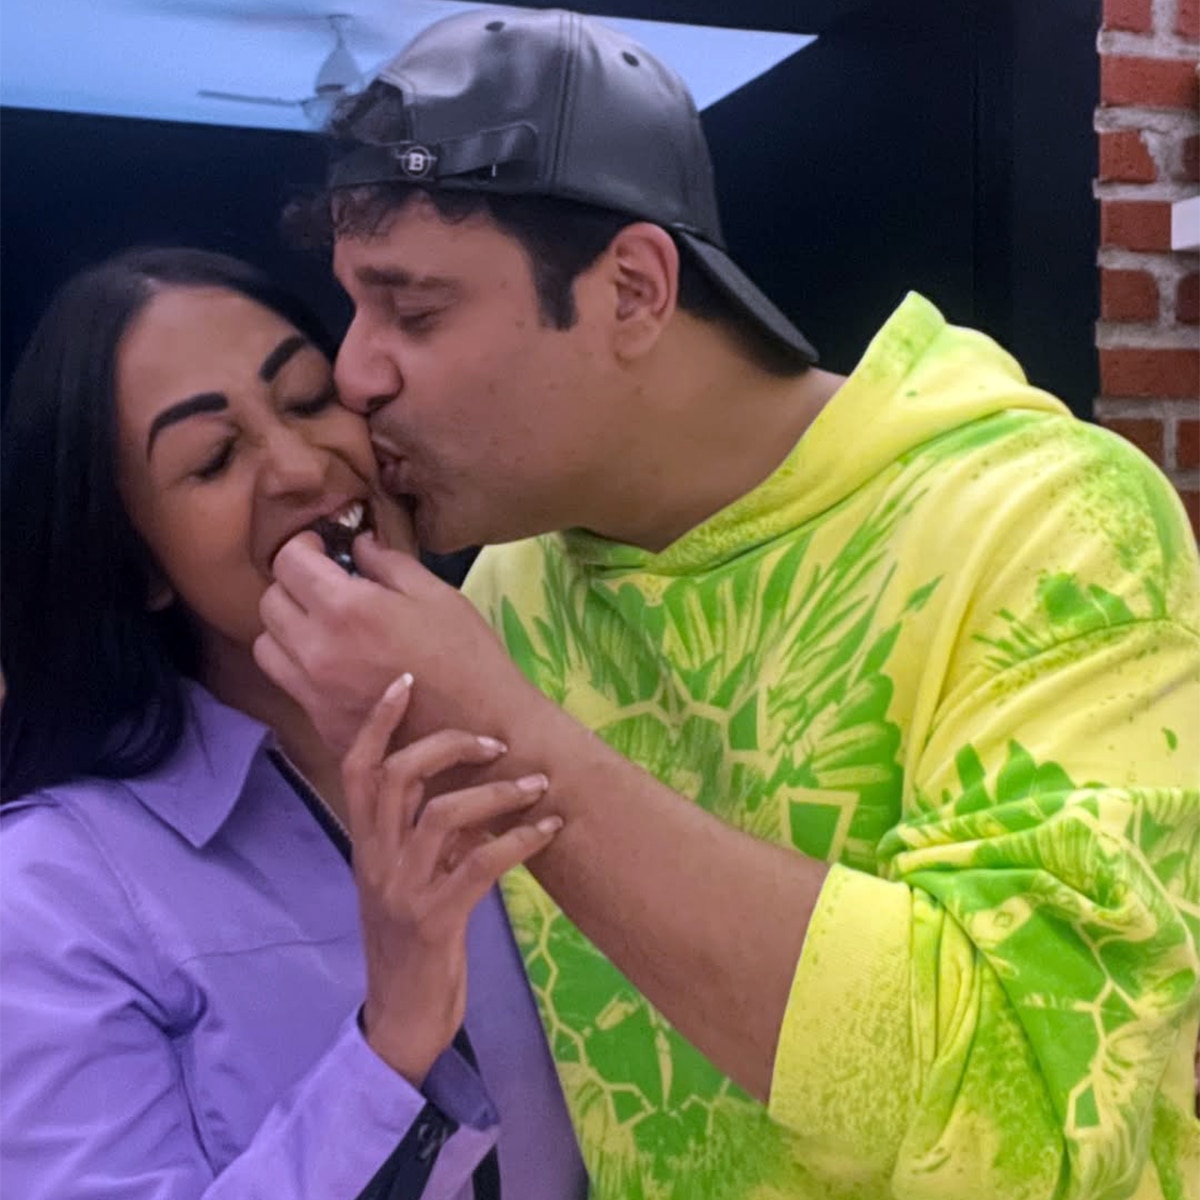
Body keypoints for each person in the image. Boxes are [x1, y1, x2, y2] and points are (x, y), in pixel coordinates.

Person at [256, 8, 1200, 1200]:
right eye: (354, 304)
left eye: (416, 310)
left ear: (634, 290)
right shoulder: (512, 587)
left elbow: (1034, 1129)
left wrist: (503, 731)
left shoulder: (1044, 525)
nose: (353, 370)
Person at [0, 246, 588, 1199]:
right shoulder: (49, 895)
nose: (302, 466)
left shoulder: (545, 698)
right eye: (214, 459)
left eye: (310, 399)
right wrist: (391, 1044)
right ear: (139, 566)